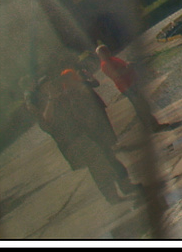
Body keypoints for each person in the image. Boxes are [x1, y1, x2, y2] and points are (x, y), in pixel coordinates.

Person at [30, 70, 138, 203]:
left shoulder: (62, 96)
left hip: (87, 134)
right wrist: (51, 98)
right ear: (42, 91)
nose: (51, 87)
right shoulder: (44, 105)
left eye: (51, 84)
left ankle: (125, 187)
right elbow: (46, 122)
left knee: (110, 159)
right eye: (47, 87)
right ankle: (112, 196)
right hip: (76, 141)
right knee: (99, 169)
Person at [96, 44, 171, 132]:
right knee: (141, 106)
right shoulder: (105, 65)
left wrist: (128, 65)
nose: (108, 52)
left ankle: (152, 125)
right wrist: (128, 68)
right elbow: (117, 75)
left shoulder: (111, 59)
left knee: (143, 105)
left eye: (107, 50)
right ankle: (151, 126)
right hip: (127, 87)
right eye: (105, 51)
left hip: (131, 83)